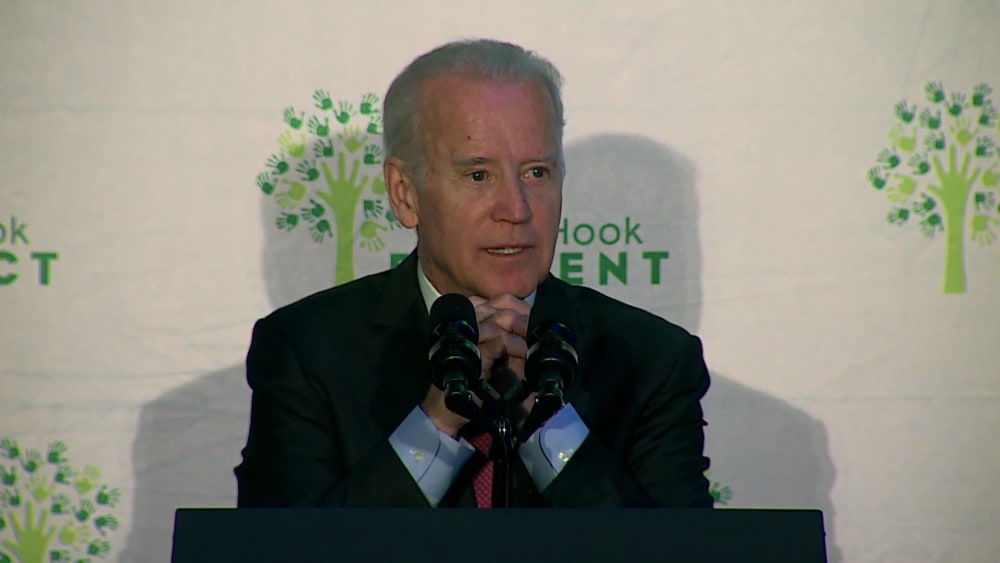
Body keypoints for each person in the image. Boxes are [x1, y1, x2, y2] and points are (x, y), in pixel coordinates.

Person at [235, 38, 713, 508]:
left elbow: (674, 547)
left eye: (537, 172)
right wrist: (437, 425)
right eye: (478, 175)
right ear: (405, 193)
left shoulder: (652, 361)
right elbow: (289, 545)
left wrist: (548, 425)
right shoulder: (307, 353)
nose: (516, 210)